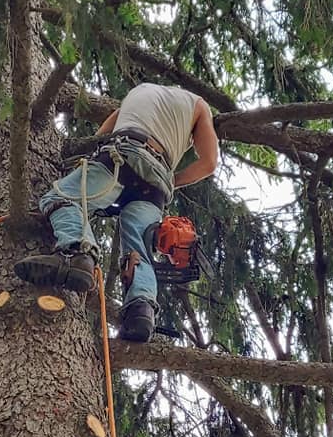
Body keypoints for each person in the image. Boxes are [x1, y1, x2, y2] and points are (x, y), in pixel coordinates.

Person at [14, 82, 219, 341]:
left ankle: (77, 254)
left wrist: (88, 165)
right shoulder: (199, 105)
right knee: (139, 246)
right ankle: (140, 310)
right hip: (157, 182)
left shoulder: (139, 92)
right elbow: (209, 162)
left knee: (61, 198)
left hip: (122, 154)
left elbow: (100, 136)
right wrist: (170, 182)